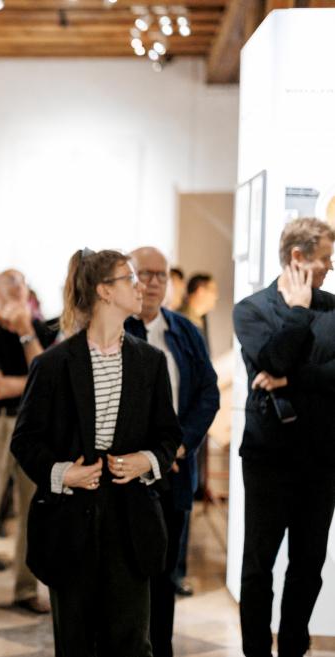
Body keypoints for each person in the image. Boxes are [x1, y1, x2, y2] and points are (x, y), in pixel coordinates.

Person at [11, 248, 181, 656]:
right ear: (105, 291)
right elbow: (25, 440)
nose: (140, 287)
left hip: (131, 519)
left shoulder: (150, 362)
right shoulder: (53, 364)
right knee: (75, 641)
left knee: (131, 642)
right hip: (70, 521)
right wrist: (63, 473)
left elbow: (167, 435)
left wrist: (148, 461)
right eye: (130, 279)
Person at [232, 217, 335, 657]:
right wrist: (296, 311)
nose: (330, 266)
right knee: (259, 565)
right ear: (298, 257)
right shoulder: (251, 309)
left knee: (308, 565)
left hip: (323, 456)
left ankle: (294, 646)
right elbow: (272, 360)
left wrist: (292, 380)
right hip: (268, 457)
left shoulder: (334, 307)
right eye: (325, 258)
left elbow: (291, 373)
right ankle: (256, 650)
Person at [127, 247, 220, 657]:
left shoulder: (185, 332)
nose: (151, 283)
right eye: (142, 274)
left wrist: (181, 444)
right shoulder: (114, 332)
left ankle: (160, 648)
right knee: (127, 573)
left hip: (176, 472)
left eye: (160, 276)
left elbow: (207, 392)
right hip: (125, 474)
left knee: (165, 573)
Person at [0, 268, 56, 613]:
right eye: (5, 291)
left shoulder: (41, 332)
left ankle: (26, 588)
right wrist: (35, 379)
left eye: (19, 289)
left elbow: (48, 380)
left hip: (36, 426)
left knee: (34, 509)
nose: (14, 297)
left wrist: (24, 332)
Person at [180, 273, 218, 346]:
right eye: (213, 291)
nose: (216, 296)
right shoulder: (181, 320)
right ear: (201, 291)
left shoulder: (201, 319)